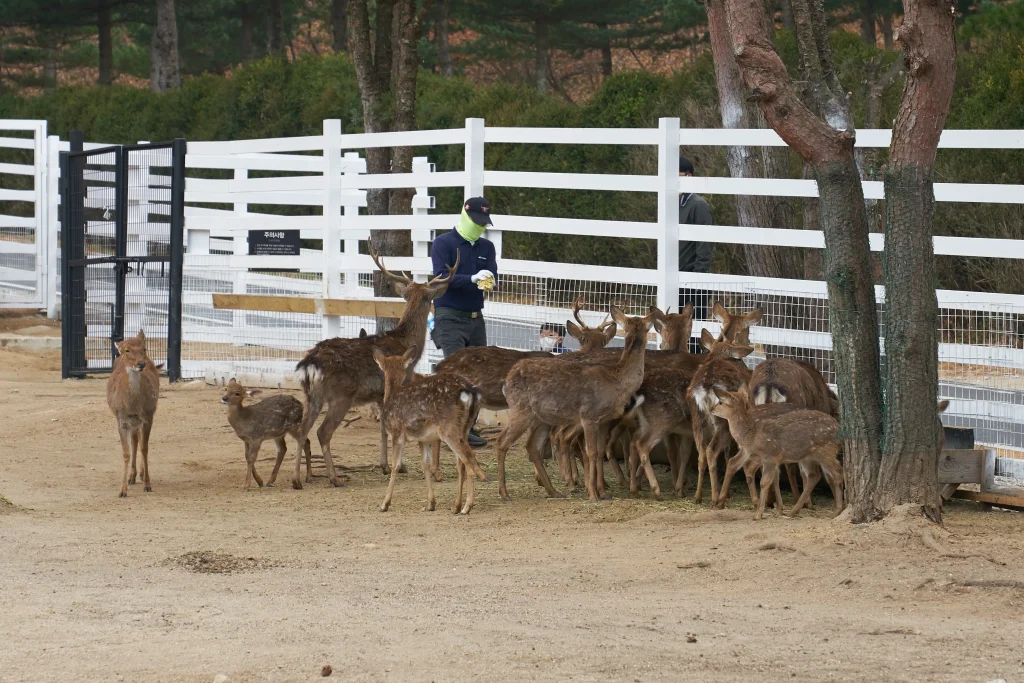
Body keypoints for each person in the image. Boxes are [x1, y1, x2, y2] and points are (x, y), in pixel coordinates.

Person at [430, 196, 498, 448]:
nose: (480, 226)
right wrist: (470, 279)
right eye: (476, 221)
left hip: (475, 317)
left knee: (479, 374)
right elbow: (440, 278)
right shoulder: (443, 243)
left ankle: (468, 426)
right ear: (465, 215)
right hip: (449, 315)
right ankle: (454, 428)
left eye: (483, 223)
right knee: (456, 373)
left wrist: (490, 280)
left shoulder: (486, 248)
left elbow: (492, 273)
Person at [677, 155, 714, 354]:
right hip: (674, 280)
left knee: (694, 338)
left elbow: (704, 246)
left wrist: (697, 278)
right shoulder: (671, 204)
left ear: (688, 176)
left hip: (692, 281)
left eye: (677, 176)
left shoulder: (698, 205)